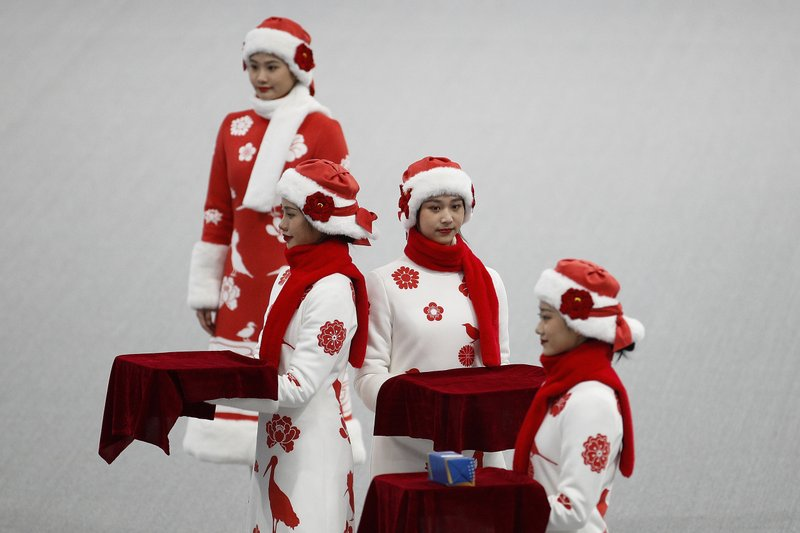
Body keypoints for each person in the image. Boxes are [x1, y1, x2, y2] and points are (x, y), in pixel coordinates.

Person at [184, 16, 365, 465]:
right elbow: (217, 210)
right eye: (253, 66)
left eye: (272, 66)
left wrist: (330, 284)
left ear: (298, 68)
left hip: (299, 278)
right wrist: (208, 287)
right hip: (242, 282)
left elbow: (339, 212)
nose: (261, 77)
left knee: (296, 385)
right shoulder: (233, 127)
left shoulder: (323, 127)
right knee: (244, 398)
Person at [212, 159, 376, 532]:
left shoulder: (332, 289)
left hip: (313, 447)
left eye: (290, 215)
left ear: (321, 220)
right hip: (276, 436)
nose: (281, 225)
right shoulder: (290, 275)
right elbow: (263, 361)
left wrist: (215, 387)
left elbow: (299, 386)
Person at [355, 156, 511, 477]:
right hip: (407, 445)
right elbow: (368, 375)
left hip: (474, 442)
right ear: (413, 213)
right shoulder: (383, 282)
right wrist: (421, 410)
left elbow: (500, 367)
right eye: (435, 207)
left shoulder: (488, 280)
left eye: (456, 206)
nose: (447, 218)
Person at [512, 258, 645, 532]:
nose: (539, 329)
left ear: (579, 325)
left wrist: (493, 506)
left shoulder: (591, 403)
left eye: (546, 317)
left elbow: (572, 509)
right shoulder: (564, 388)